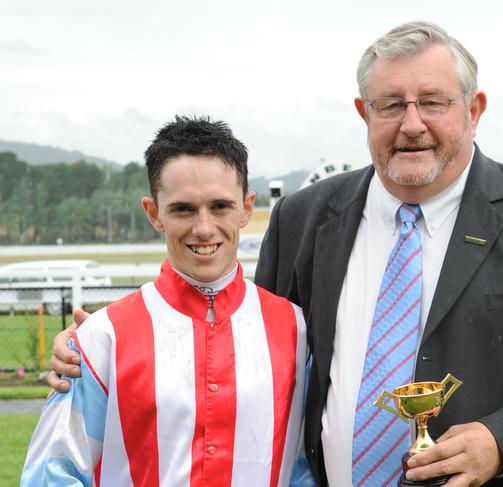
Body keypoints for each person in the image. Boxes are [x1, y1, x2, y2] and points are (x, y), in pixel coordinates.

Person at [49, 22, 503, 487]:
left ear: (475, 108)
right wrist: (99, 352)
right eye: (391, 105)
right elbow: (253, 349)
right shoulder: (305, 218)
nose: (411, 124)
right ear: (364, 113)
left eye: (433, 101)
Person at [24, 116, 311, 486]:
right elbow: (53, 472)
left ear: (246, 208)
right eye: (183, 209)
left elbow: (311, 466)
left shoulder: (297, 331)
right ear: (154, 213)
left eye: (220, 206)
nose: (204, 228)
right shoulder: (101, 338)